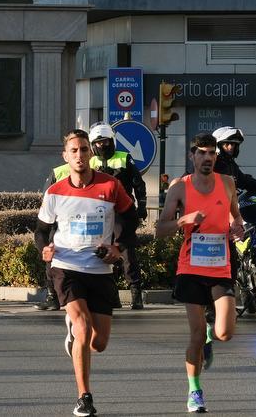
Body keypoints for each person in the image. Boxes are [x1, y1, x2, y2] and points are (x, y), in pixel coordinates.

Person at [34, 130, 138, 417]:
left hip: (100, 268)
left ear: (90, 153)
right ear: (65, 156)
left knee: (99, 343)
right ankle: (84, 397)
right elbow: (41, 232)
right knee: (83, 328)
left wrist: (117, 247)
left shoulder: (111, 186)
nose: (79, 155)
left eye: (83, 149)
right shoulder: (55, 192)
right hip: (66, 267)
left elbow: (130, 218)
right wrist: (45, 250)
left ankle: (75, 337)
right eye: (74, 151)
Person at [155, 132, 244, 414]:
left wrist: (238, 227)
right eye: (202, 152)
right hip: (191, 268)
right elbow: (160, 230)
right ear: (192, 155)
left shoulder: (228, 183)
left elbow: (235, 216)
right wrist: (184, 220)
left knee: (226, 332)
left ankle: (211, 333)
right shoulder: (180, 189)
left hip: (220, 267)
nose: (208, 158)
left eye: (212, 153)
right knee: (195, 336)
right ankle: (195, 391)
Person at [85, 123, 148, 308]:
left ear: (111, 141)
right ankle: (112, 297)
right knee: (101, 253)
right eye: (97, 143)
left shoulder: (125, 158)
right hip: (99, 213)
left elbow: (139, 184)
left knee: (127, 253)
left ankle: (136, 294)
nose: (101, 146)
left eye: (104, 141)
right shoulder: (91, 162)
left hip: (121, 212)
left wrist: (142, 206)